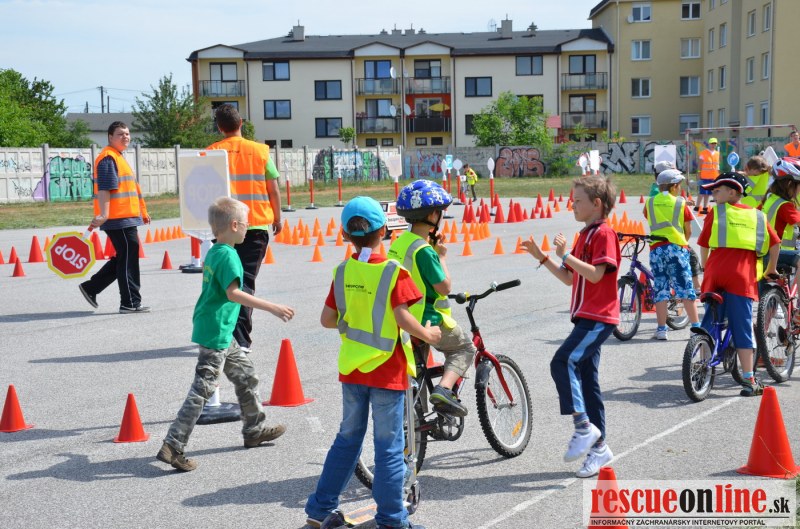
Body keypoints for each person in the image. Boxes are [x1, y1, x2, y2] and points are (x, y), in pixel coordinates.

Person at [305, 196, 440, 529]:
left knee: (347, 440)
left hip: (352, 370)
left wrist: (354, 319)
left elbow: (327, 319)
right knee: (389, 448)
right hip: (387, 372)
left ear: (345, 235)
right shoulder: (394, 272)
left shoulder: (342, 271)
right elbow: (402, 317)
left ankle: (320, 510)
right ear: (384, 231)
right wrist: (428, 333)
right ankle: (392, 520)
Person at [157, 197, 294, 472]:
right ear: (233, 225)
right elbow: (233, 293)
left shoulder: (216, 251)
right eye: (245, 223)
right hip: (217, 332)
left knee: (246, 375)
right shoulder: (229, 256)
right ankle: (173, 445)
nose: (248, 227)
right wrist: (273, 307)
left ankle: (254, 430)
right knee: (202, 389)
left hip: (218, 328)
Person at [520, 175, 620, 479]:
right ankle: (599, 448)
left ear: (596, 203)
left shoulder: (604, 234)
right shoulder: (584, 236)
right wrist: (543, 257)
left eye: (577, 201)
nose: (572, 205)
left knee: (562, 361)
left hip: (598, 316)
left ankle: (583, 427)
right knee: (588, 382)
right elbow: (568, 278)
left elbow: (595, 275)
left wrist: (566, 255)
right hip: (586, 315)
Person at [391, 180, 475, 417]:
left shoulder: (400, 243)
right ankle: (444, 389)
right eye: (440, 212)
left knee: (417, 372)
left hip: (403, 318)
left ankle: (417, 423)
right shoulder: (425, 251)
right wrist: (442, 257)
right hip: (426, 318)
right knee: (464, 348)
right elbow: (444, 287)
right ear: (432, 215)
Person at [697, 173, 780, 397]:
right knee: (742, 326)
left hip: (716, 272)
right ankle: (749, 379)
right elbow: (775, 244)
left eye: (717, 190)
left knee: (710, 321)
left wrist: (705, 266)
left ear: (732, 192)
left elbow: (704, 244)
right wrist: (771, 268)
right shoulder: (758, 216)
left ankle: (702, 368)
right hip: (742, 275)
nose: (713, 193)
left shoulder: (716, 212)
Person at [208, 104, 282, 354]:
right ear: (241, 123)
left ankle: (226, 334)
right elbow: (273, 189)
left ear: (220, 128)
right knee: (245, 281)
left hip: (223, 228)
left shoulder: (211, 152)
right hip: (255, 224)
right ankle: (241, 340)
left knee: (226, 282)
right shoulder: (260, 151)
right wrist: (277, 217)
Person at [79, 121, 151, 313]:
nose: (125, 137)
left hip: (126, 217)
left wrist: (142, 213)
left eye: (127, 133)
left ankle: (91, 288)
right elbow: (105, 189)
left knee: (125, 257)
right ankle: (130, 302)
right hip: (118, 219)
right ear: (110, 137)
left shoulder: (118, 157)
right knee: (128, 258)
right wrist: (104, 214)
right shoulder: (108, 158)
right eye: (120, 134)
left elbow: (131, 190)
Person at [643, 168, 701, 340]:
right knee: (685, 288)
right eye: (679, 185)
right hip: (676, 248)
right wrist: (682, 243)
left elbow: (648, 217)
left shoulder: (650, 202)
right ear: (674, 186)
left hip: (656, 249)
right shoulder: (680, 203)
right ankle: (695, 328)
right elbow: (688, 230)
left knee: (660, 288)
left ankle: (661, 329)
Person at [760, 158, 800, 279]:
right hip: (777, 253)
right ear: (790, 184)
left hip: (764, 251)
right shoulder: (785, 206)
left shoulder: (770, 198)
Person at [696, 138, 720, 214]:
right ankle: (700, 207)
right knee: (703, 192)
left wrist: (718, 174)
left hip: (714, 176)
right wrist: (699, 173)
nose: (713, 145)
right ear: (709, 144)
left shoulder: (717, 153)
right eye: (712, 143)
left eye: (715, 143)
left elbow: (717, 165)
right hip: (705, 176)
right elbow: (700, 164)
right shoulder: (704, 153)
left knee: (711, 192)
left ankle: (705, 207)